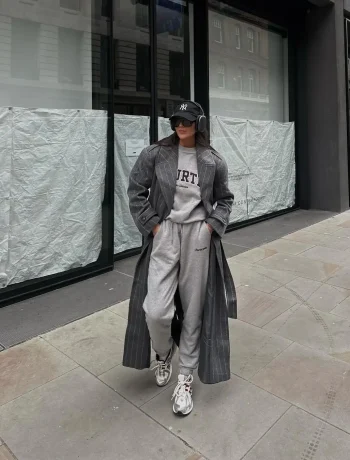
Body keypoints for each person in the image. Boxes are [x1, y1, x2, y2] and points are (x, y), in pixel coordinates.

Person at [123, 101, 237, 416]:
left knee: (195, 308)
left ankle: (185, 376)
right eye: (176, 120)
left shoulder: (213, 160)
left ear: (197, 123)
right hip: (166, 233)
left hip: (198, 236)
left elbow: (225, 199)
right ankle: (163, 353)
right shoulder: (155, 154)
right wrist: (154, 226)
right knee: (156, 310)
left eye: (186, 121)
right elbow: (135, 192)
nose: (180, 126)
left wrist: (212, 227)